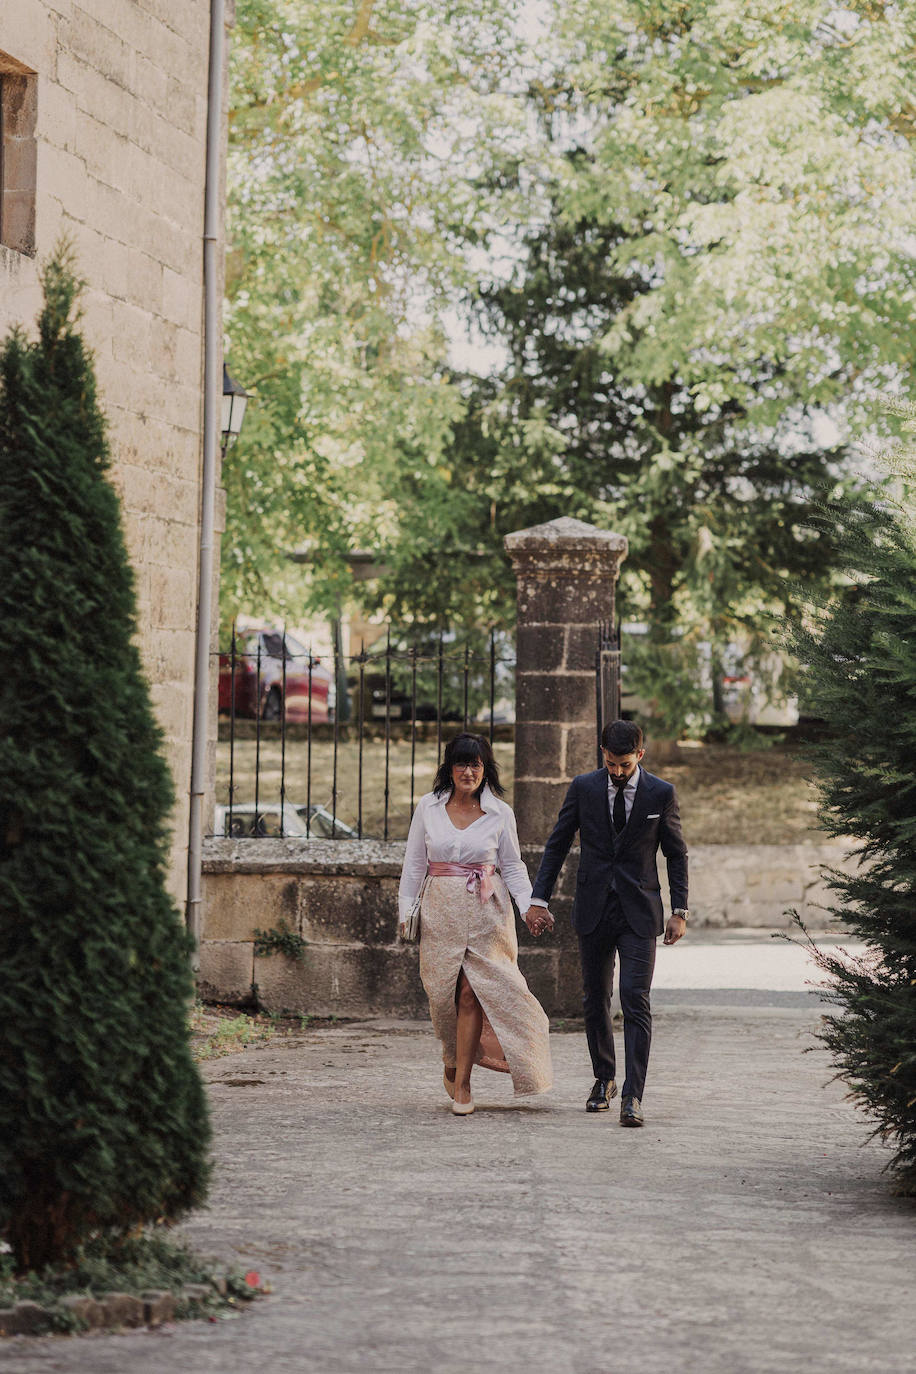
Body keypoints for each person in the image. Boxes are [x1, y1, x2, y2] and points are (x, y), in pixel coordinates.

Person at [524, 719, 688, 1127]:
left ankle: (634, 1095)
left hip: (639, 911)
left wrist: (679, 910)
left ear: (641, 756)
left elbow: (676, 854)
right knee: (594, 997)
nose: (617, 772)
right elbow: (558, 843)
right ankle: (604, 1078)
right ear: (603, 753)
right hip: (594, 908)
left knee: (635, 998)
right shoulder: (583, 788)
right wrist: (538, 898)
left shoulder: (661, 793)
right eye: (611, 764)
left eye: (625, 765)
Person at [399, 733, 553, 1116]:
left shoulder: (500, 812)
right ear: (449, 768)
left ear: (485, 770)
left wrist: (529, 906)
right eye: (461, 764)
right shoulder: (428, 807)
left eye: (476, 764)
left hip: (488, 913)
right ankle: (453, 1056)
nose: (469, 771)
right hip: (440, 912)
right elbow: (415, 863)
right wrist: (405, 911)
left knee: (472, 993)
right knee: (442, 997)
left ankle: (464, 1084)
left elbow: (513, 866)